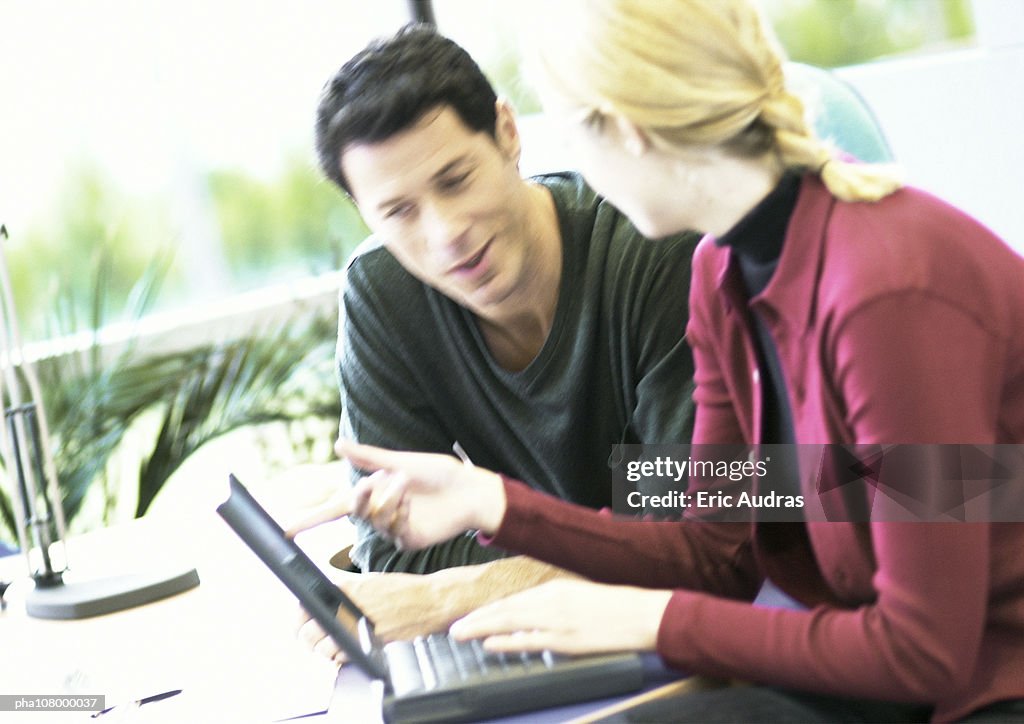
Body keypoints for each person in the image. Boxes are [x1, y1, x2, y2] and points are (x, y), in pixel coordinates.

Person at [325, 1, 1024, 721]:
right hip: (890, 663)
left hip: (985, 680)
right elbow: (714, 551)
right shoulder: (723, 272)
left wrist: (653, 623)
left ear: (624, 130)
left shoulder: (884, 288)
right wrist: (492, 504)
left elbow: (922, 647)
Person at [295, 24, 707, 644]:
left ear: (508, 134)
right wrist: (584, 558)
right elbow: (396, 556)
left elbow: (688, 541)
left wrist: (449, 593)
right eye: (398, 212)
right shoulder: (383, 294)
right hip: (565, 636)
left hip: (733, 612)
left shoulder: (654, 249)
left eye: (456, 179)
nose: (444, 233)